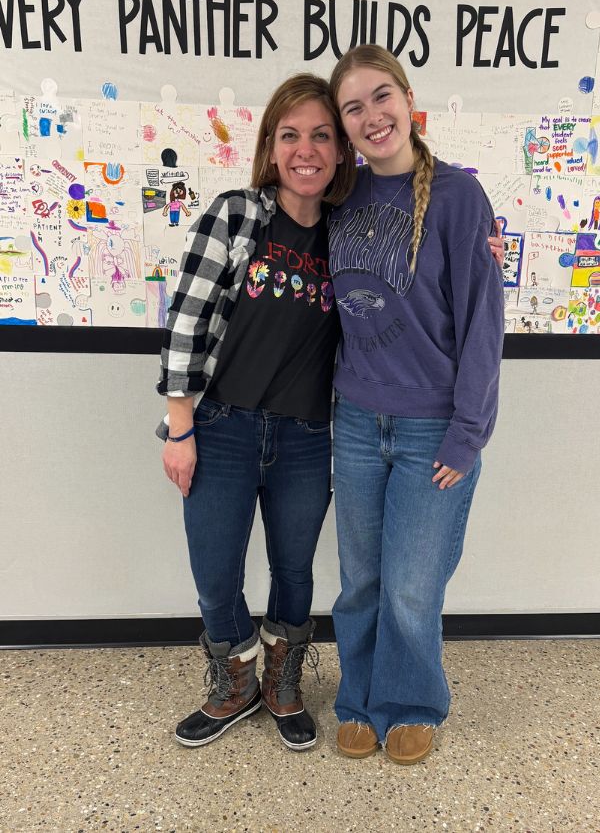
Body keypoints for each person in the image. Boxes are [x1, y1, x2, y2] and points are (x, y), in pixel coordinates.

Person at [156, 73, 355, 751]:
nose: (306, 149)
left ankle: (283, 682)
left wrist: (480, 256)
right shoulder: (236, 214)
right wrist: (179, 429)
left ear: (340, 150)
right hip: (222, 429)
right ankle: (234, 679)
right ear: (271, 145)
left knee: (294, 570)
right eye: (291, 134)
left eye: (322, 135)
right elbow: (185, 319)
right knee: (214, 570)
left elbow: (408, 294)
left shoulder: (347, 236)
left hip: (306, 438)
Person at [328, 45, 504, 765]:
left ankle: (413, 702)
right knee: (361, 580)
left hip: (435, 425)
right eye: (353, 107)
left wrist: (468, 434)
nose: (372, 116)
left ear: (408, 99)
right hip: (355, 424)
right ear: (343, 126)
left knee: (409, 583)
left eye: (381, 96)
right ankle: (358, 699)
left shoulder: (461, 198)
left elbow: (484, 322)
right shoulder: (340, 199)